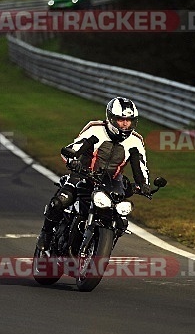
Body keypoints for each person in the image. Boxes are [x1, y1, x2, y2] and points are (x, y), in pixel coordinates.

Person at [37, 97, 153, 251]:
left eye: (129, 120)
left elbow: (140, 166)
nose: (125, 124)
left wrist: (144, 185)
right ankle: (46, 234)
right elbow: (75, 147)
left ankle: (102, 246)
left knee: (121, 220)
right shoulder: (95, 129)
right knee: (61, 200)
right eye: (120, 119)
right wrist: (72, 160)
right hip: (83, 175)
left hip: (111, 183)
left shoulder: (136, 141)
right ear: (111, 118)